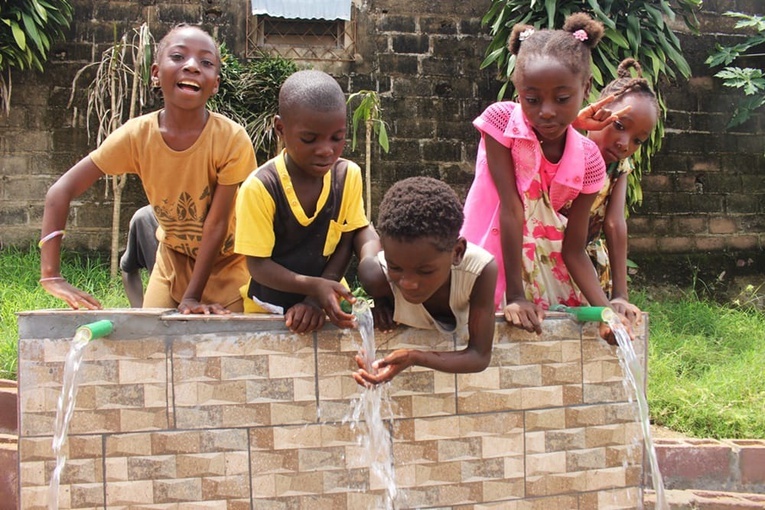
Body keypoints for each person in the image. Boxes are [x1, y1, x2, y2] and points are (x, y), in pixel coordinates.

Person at [39, 25, 257, 314]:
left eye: (205, 62)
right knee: (153, 345)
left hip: (230, 263)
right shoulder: (137, 136)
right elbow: (61, 190)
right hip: (172, 262)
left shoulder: (231, 138)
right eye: (178, 57)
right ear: (155, 72)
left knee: (224, 351)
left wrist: (191, 298)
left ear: (215, 83)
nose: (191, 66)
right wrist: (51, 275)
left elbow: (216, 226)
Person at [461, 13, 631, 340]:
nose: (547, 111)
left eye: (562, 98)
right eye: (532, 99)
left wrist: (606, 312)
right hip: (488, 266)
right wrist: (515, 295)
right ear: (518, 91)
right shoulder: (501, 126)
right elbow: (511, 208)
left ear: (586, 88)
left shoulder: (589, 161)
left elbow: (574, 249)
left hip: (544, 277)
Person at [235, 70, 371, 334]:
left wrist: (316, 298)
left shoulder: (347, 176)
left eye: (337, 137)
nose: (326, 150)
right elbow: (258, 266)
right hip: (268, 308)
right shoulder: (261, 188)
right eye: (309, 139)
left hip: (327, 300)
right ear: (281, 129)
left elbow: (346, 240)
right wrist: (312, 288)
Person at [353, 176, 498, 386]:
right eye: (396, 267)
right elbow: (367, 242)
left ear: (457, 252)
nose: (408, 283)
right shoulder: (376, 277)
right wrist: (381, 303)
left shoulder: (480, 270)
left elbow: (479, 356)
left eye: (425, 271)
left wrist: (415, 357)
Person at [573, 58, 660, 326]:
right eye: (619, 126)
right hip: (547, 254)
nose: (625, 144)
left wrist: (620, 294)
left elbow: (614, 222)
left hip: (587, 264)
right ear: (599, 111)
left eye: (638, 140)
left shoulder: (619, 165)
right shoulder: (570, 144)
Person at [120, 205, 160, 308]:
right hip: (163, 310)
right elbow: (128, 270)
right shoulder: (145, 218)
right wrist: (140, 313)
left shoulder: (205, 219)